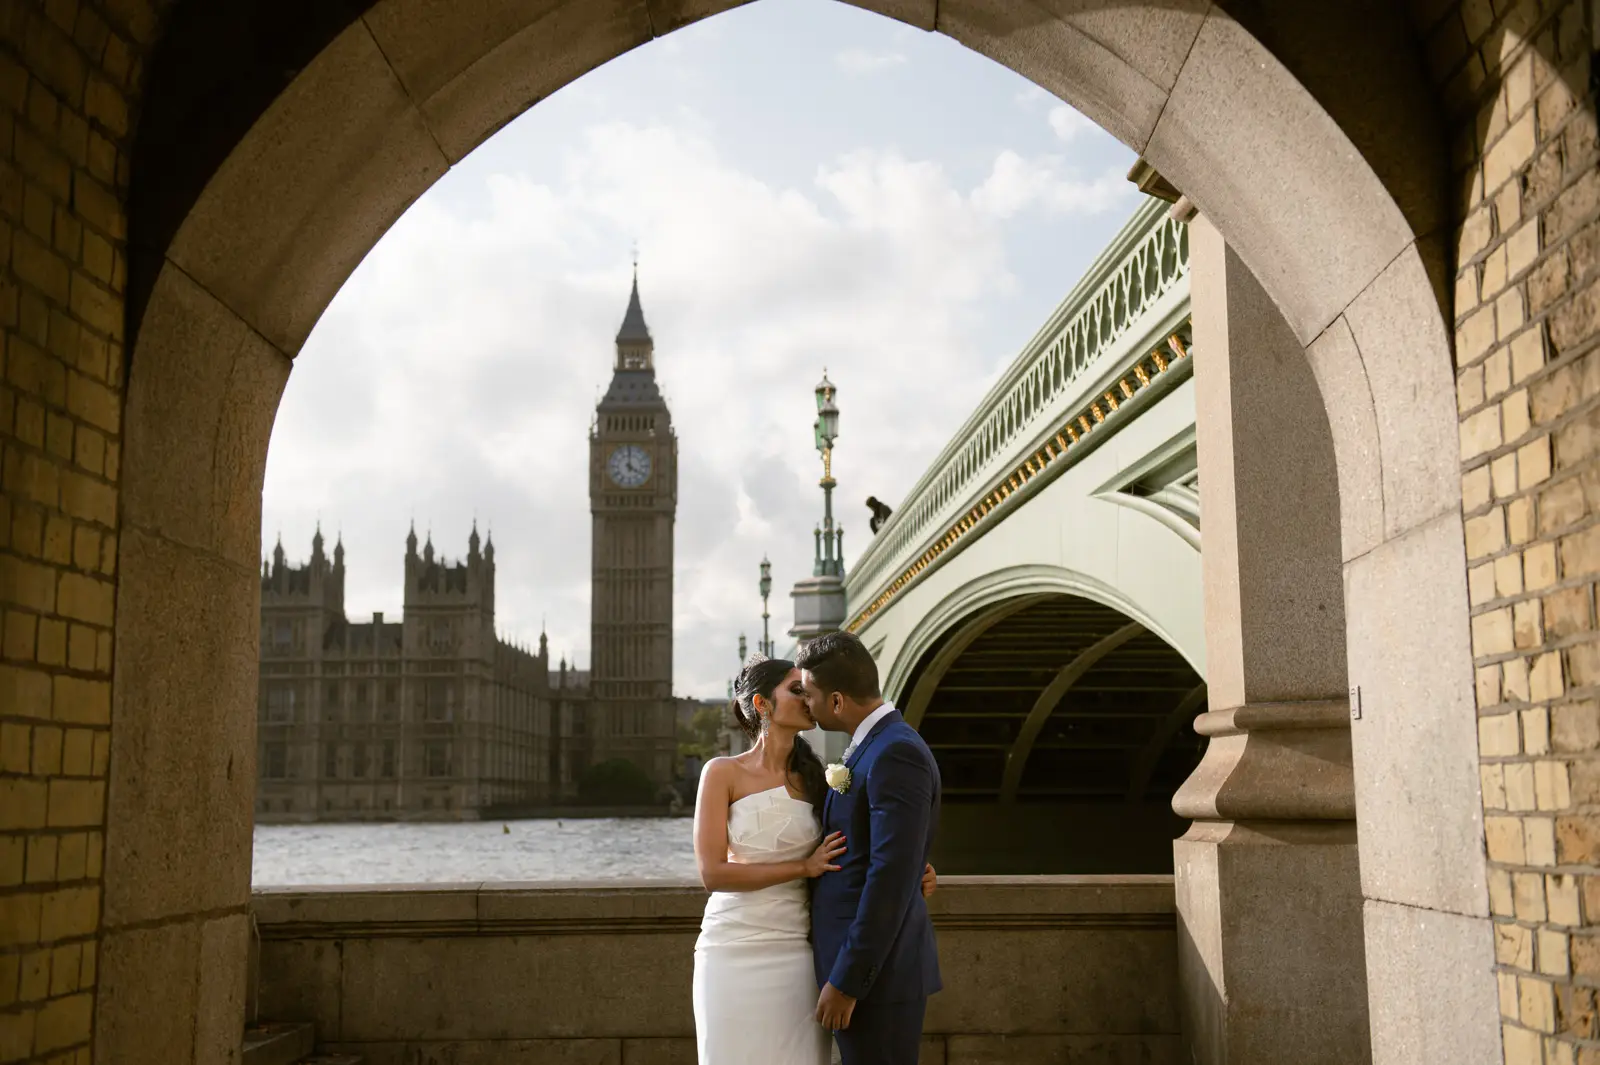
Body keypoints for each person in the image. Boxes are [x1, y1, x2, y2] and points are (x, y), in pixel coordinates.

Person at [691, 654, 937, 1065]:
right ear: (762, 704)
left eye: (807, 689)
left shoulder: (820, 779)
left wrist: (916, 870)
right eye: (795, 689)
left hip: (799, 953)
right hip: (731, 948)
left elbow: (865, 851)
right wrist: (802, 868)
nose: (807, 697)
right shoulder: (721, 773)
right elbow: (712, 873)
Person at [800, 631, 942, 1065]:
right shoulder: (873, 747)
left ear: (838, 701)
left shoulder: (895, 753)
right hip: (870, 977)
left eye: (809, 695)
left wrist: (847, 982)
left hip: (875, 981)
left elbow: (889, 879)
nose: (807, 704)